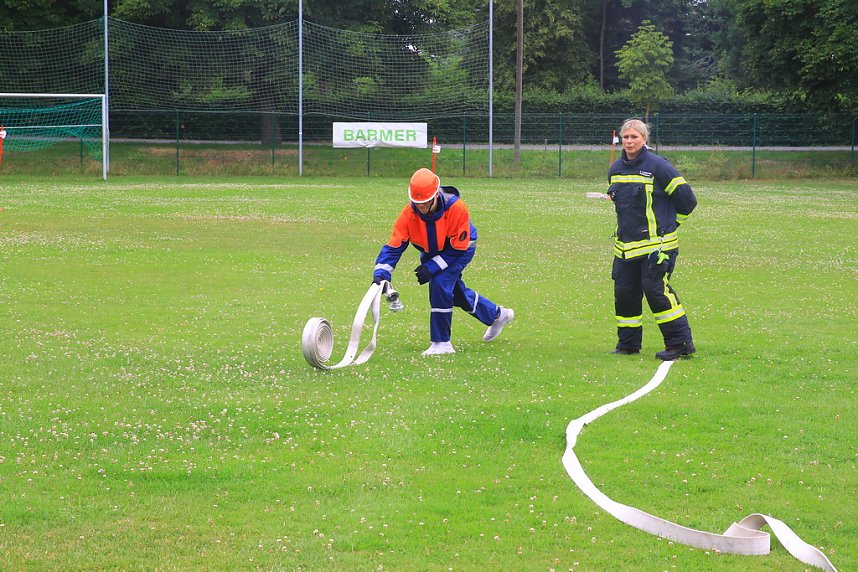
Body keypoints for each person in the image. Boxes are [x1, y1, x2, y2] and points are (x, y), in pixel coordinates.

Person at [373, 168, 514, 356]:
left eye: (424, 203)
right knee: (454, 293)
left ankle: (442, 343)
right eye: (417, 203)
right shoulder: (408, 214)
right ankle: (497, 314)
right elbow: (393, 247)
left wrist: (431, 267)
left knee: (439, 284)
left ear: (436, 196)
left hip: (460, 250)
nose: (420, 207)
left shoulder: (457, 208)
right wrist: (381, 274)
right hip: (432, 251)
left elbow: (457, 248)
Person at [606, 118, 697, 360]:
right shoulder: (615, 169)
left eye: (634, 137)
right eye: (625, 137)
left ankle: (680, 344)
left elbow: (688, 201)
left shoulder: (659, 166)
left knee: (656, 292)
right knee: (624, 294)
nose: (629, 141)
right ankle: (628, 344)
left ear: (644, 139)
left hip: (658, 247)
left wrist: (671, 225)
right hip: (625, 248)